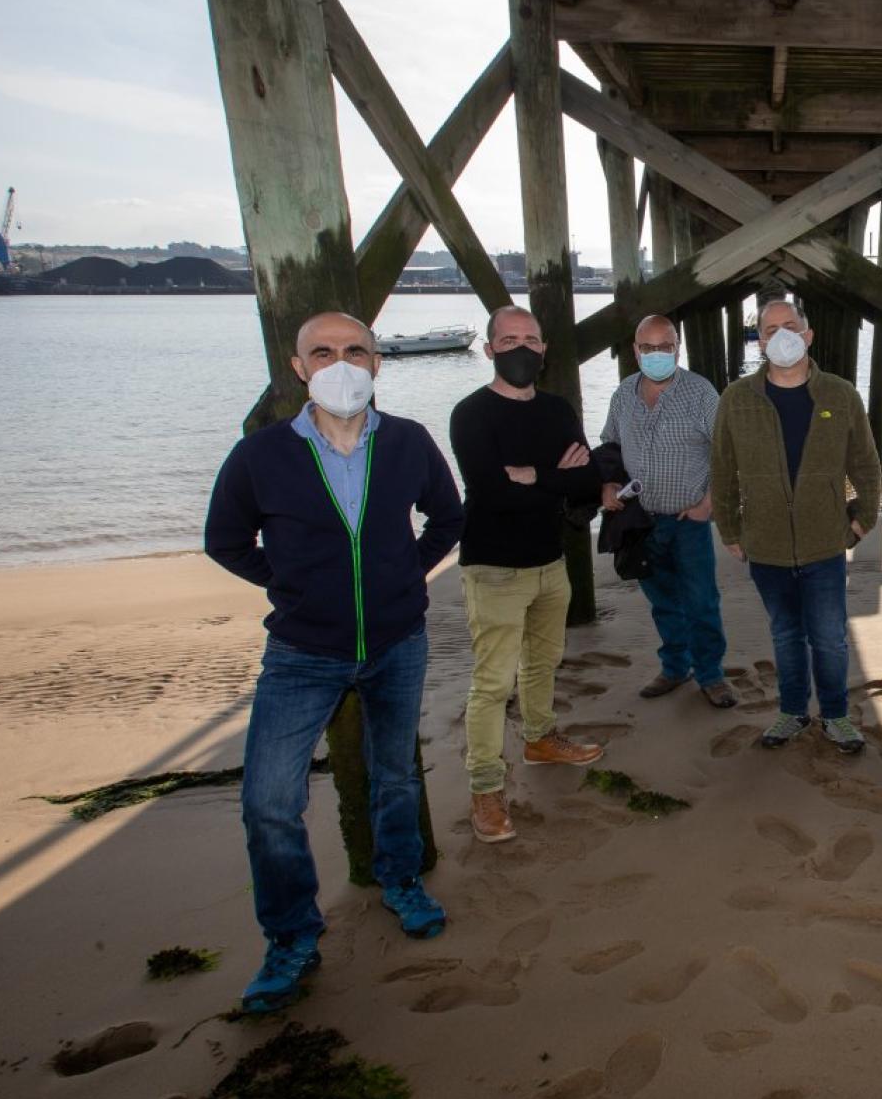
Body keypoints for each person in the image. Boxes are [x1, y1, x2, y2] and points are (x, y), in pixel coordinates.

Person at [204, 310, 464, 1013]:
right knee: (269, 801)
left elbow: (448, 516)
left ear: (377, 363)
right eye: (322, 352)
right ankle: (290, 935)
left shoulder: (407, 442)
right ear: (298, 368)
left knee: (395, 774)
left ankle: (400, 881)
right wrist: (294, 586)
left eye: (354, 350)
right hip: (301, 652)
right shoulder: (261, 456)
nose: (339, 363)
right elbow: (224, 541)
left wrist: (404, 576)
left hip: (396, 642)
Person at [448, 306, 608, 845]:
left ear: (544, 349)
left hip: (550, 560)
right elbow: (491, 491)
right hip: (493, 567)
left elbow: (589, 479)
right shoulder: (471, 414)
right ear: (490, 348)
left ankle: (540, 739)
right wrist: (555, 478)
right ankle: (486, 789)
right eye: (508, 338)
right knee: (492, 684)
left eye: (531, 339)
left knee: (544, 663)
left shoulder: (558, 409)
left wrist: (535, 476)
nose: (521, 347)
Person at [711, 298, 880, 753]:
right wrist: (729, 530)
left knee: (829, 637)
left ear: (807, 336)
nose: (780, 335)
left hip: (825, 541)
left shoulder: (840, 394)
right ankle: (791, 712)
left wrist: (864, 519)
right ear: (760, 341)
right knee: (785, 634)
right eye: (769, 329)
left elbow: (865, 463)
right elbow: (723, 469)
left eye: (790, 326)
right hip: (763, 544)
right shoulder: (737, 399)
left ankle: (837, 716)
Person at [599, 315, 736, 708]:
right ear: (635, 350)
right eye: (648, 347)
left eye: (665, 346)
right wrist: (607, 484)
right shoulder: (623, 393)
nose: (657, 354)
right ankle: (676, 667)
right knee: (662, 601)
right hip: (640, 521)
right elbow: (609, 443)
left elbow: (726, 451)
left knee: (701, 601)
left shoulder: (701, 393)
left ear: (678, 348)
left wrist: (707, 503)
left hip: (688, 521)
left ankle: (711, 674)